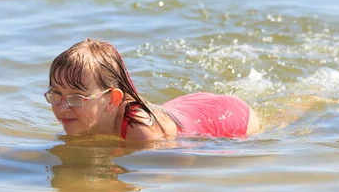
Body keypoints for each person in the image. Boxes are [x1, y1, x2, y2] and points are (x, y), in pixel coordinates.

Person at [44, 38, 261, 141]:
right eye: (56, 95)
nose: (62, 108)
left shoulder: (142, 131)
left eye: (75, 98)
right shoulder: (84, 118)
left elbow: (177, 166)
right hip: (186, 106)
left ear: (112, 100)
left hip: (229, 117)